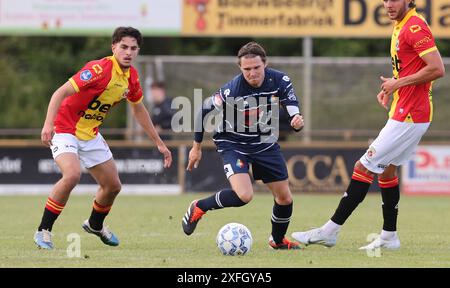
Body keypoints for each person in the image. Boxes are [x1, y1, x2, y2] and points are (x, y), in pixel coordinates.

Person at [292, 0, 445, 250]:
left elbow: (437, 68)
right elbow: (411, 70)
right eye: (385, 0)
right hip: (407, 110)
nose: (388, 5)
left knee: (363, 167)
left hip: (410, 115)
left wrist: (396, 84)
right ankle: (389, 237)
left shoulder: (415, 26)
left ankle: (329, 231)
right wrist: (392, 88)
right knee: (386, 171)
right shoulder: (401, 26)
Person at [34, 27, 172, 249]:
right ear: (114, 47)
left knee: (113, 186)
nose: (128, 52)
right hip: (65, 128)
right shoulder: (99, 69)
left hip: (90, 134)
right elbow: (59, 93)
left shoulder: (132, 78)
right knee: (72, 175)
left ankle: (95, 224)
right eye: (124, 47)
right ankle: (43, 230)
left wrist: (159, 143)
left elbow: (139, 110)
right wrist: (48, 123)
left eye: (133, 48)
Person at [181, 42, 305, 250]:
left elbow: (291, 104)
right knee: (243, 196)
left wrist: (296, 119)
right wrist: (196, 147)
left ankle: (277, 240)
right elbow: (203, 111)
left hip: (264, 142)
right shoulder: (232, 89)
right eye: (247, 69)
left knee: (284, 197)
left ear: (265, 64)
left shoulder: (280, 80)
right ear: (240, 68)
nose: (252, 73)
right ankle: (199, 207)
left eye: (256, 67)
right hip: (233, 143)